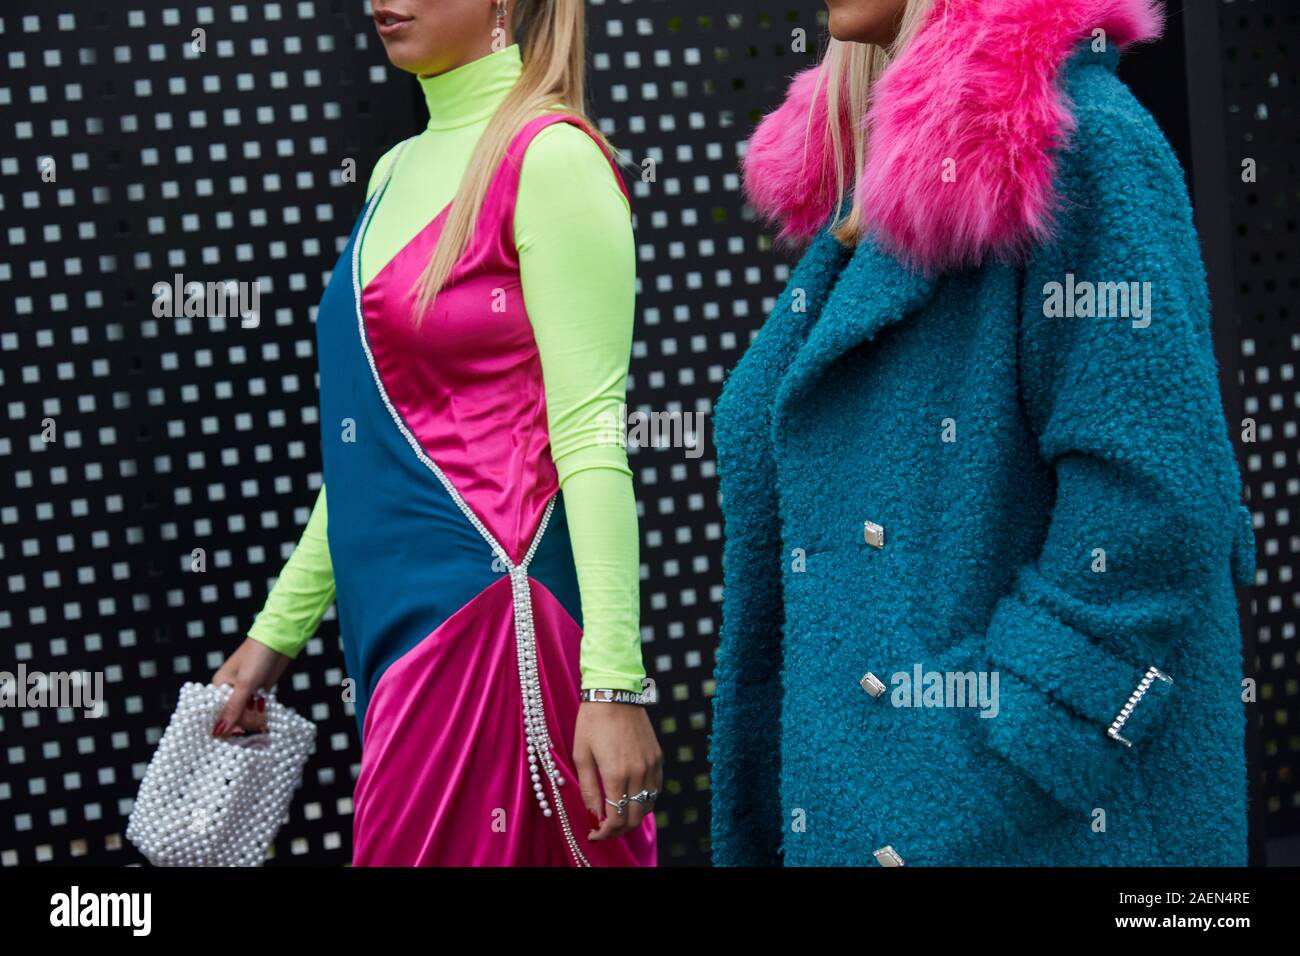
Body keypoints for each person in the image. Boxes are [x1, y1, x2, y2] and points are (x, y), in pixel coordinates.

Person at [709, 0, 1256, 866]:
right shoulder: (882, 180)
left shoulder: (1079, 140)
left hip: (1027, 830)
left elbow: (1158, 503)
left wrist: (987, 762)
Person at [211, 0, 659, 867]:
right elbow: (369, 452)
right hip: (394, 642)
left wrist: (612, 683)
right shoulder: (394, 169)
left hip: (496, 632)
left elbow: (594, 436)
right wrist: (275, 636)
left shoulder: (552, 156)